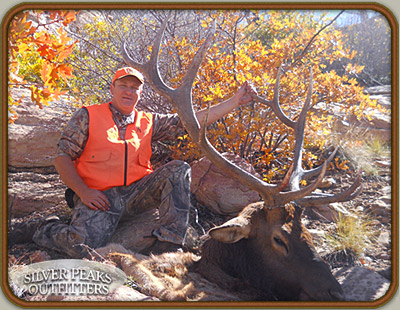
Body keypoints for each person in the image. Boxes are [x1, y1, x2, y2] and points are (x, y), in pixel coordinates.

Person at [9, 67, 257, 258]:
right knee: (82, 247)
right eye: (123, 85)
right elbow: (62, 158)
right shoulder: (88, 116)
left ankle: (169, 244)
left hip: (136, 195)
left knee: (179, 169)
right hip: (100, 197)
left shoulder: (149, 120)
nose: (129, 91)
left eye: (134, 88)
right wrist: (83, 192)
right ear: (112, 88)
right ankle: (44, 228)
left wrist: (235, 101)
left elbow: (194, 119)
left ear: (141, 93)